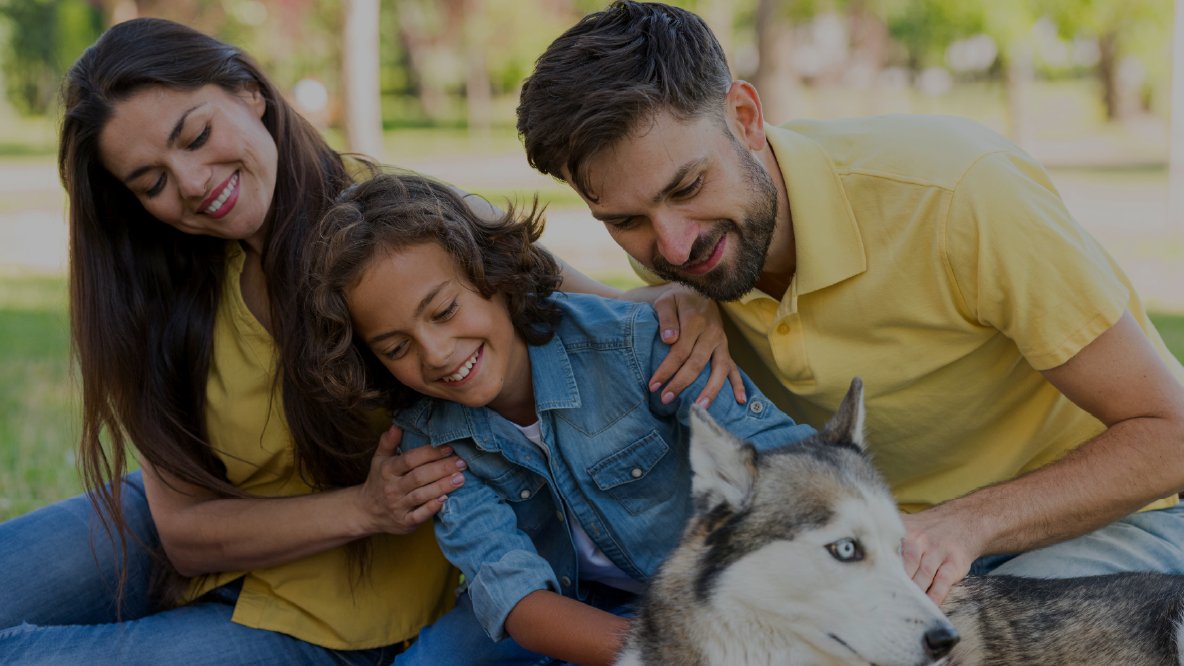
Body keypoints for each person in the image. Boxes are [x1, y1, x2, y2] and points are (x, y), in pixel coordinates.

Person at [0, 17, 737, 663]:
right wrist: (363, 505)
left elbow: (595, 315)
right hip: (209, 530)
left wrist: (684, 301)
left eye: (195, 135)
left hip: (342, 616)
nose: (192, 182)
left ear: (249, 94)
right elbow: (184, 529)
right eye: (151, 181)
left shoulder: (404, 232)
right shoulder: (159, 292)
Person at [515, 0, 1184, 606]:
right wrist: (665, 296)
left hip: (1125, 517)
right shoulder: (689, 258)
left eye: (688, 184)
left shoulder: (959, 194)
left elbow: (1170, 435)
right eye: (625, 220)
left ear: (745, 118)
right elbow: (550, 278)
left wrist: (967, 523)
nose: (675, 242)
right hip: (902, 553)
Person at [298, 171, 815, 665]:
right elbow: (517, 599)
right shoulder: (428, 440)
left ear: (494, 276)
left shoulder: (636, 345)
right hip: (570, 606)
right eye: (395, 346)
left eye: (445, 311)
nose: (434, 353)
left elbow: (780, 455)